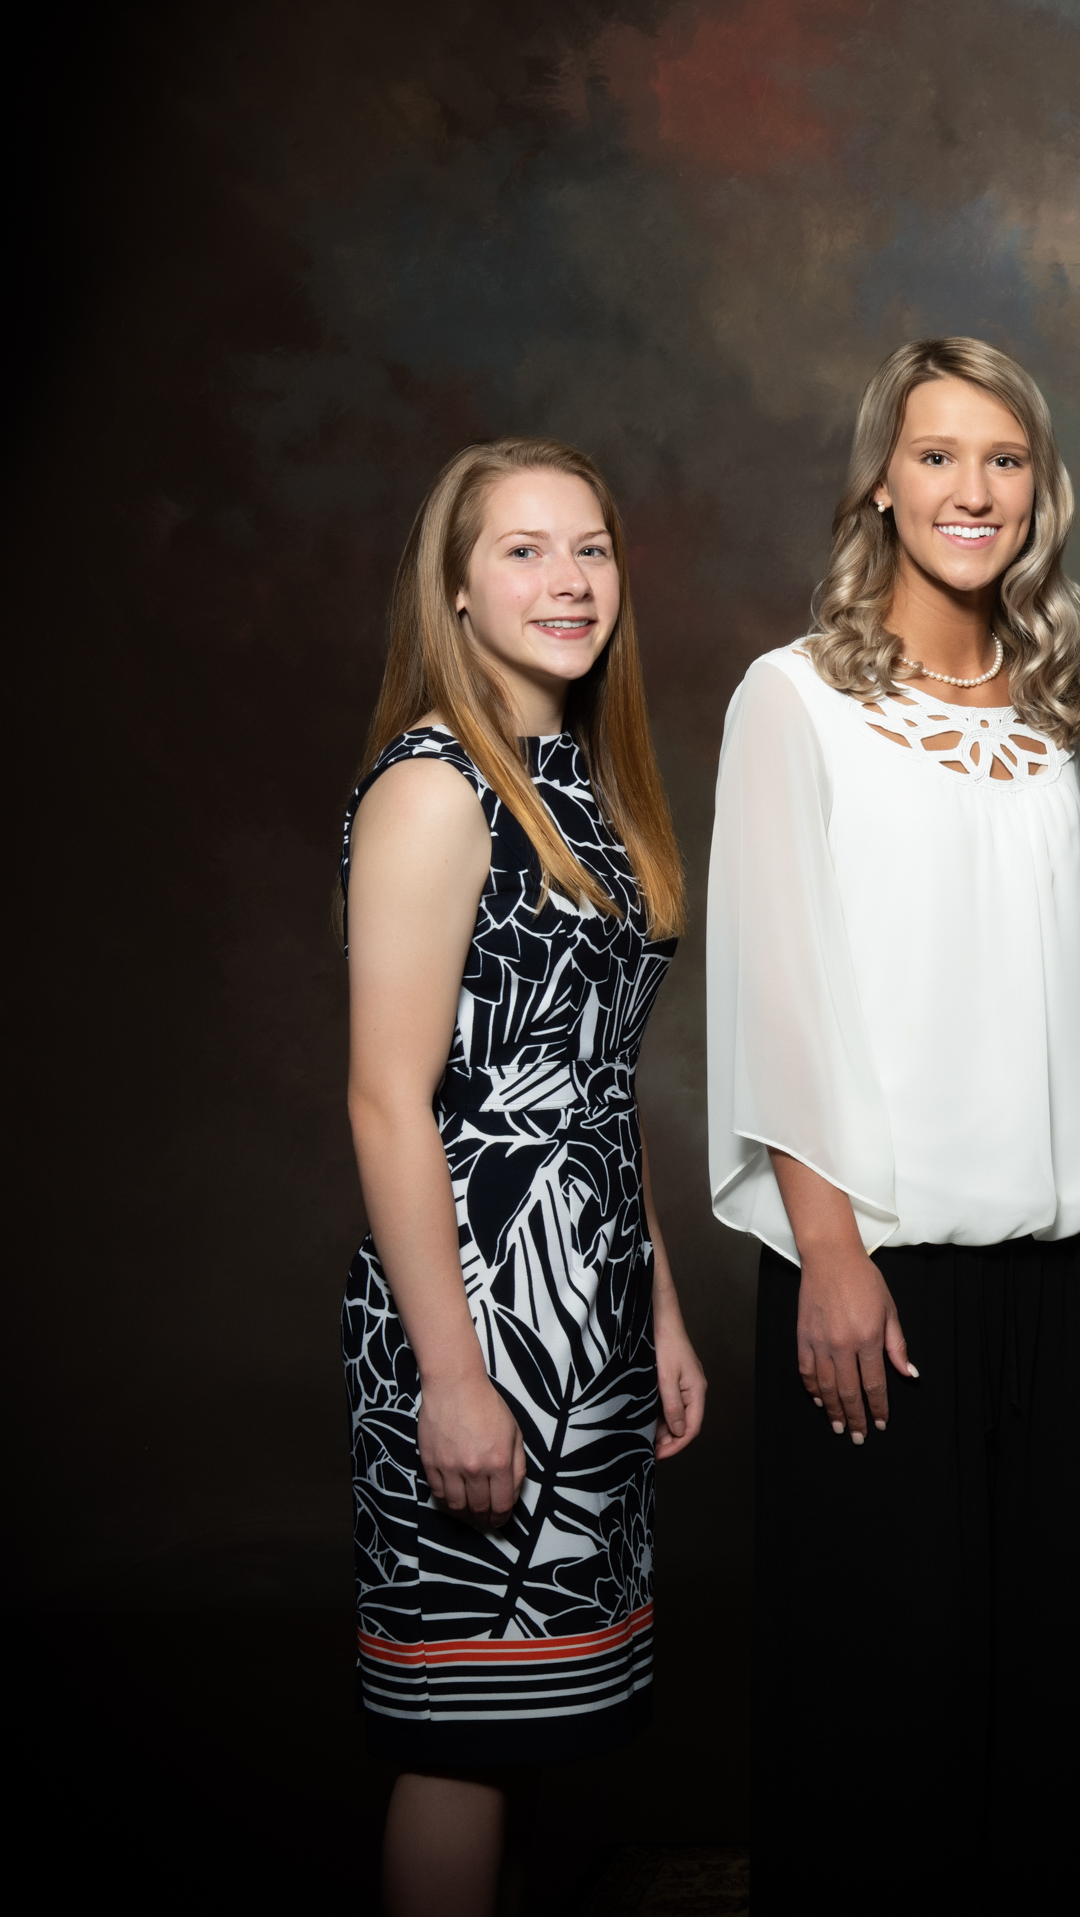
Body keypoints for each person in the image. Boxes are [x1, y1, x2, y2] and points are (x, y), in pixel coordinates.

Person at [704, 337, 1080, 1906]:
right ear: (881, 482)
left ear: (1041, 492)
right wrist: (828, 1252)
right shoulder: (796, 701)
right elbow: (778, 985)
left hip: (1076, 1266)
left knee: (1059, 1684)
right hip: (879, 1274)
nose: (974, 489)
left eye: (1005, 460)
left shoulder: (1065, 712)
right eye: (940, 455)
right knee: (882, 1686)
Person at [342, 438, 703, 1917]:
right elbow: (385, 1101)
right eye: (524, 551)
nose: (568, 581)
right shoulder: (438, 788)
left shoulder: (586, 791)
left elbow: (593, 1092)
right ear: (458, 589)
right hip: (478, 1322)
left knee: (547, 1728)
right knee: (462, 1739)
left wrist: (660, 1314)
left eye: (591, 550)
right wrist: (452, 1375)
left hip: (589, 1324)